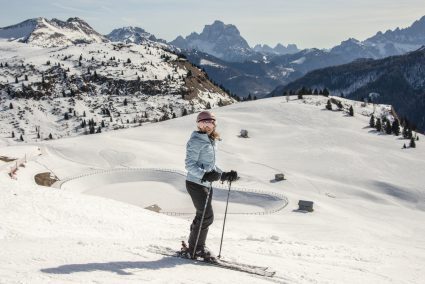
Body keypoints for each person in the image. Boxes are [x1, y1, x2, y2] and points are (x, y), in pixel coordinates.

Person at [184, 110, 238, 259]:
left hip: (206, 183)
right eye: (203, 123)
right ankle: (197, 248)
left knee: (202, 216)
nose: (207, 126)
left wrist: (224, 175)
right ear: (199, 124)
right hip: (195, 183)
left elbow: (210, 166)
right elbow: (189, 165)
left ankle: (193, 245)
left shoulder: (210, 140)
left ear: (214, 125)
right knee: (207, 216)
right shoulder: (196, 141)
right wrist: (204, 175)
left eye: (210, 123)